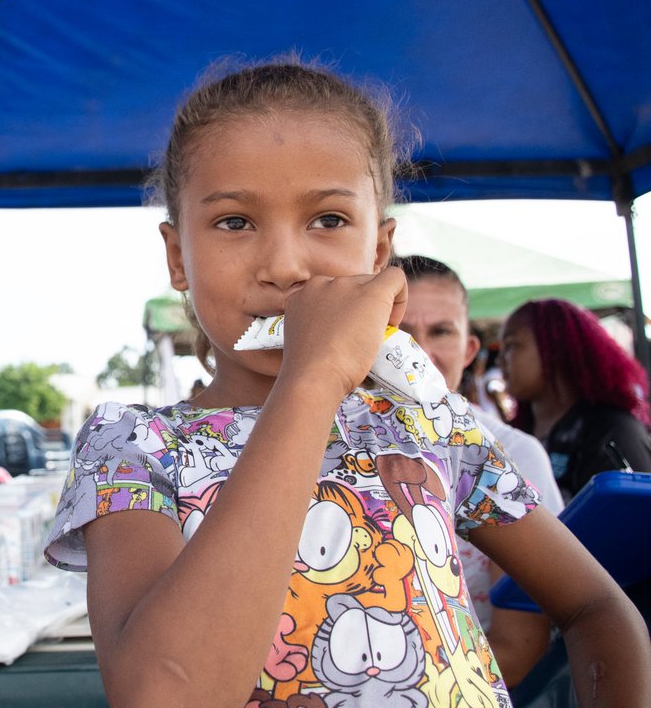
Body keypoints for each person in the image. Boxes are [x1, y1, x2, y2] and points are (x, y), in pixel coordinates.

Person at [43, 58, 651, 706]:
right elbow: (161, 693)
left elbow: (595, 606)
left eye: (328, 220)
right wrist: (315, 377)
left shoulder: (433, 422)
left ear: (380, 251)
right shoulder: (133, 448)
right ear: (176, 257)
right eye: (234, 222)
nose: (285, 266)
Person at [395, 253, 564, 686]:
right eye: (398, 330)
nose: (417, 351)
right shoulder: (319, 442)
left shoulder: (512, 453)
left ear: (470, 349)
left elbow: (522, 642)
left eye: (440, 331)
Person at [500, 297, 651, 502]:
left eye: (511, 346)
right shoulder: (514, 432)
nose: (501, 360)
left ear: (555, 348)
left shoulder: (610, 429)